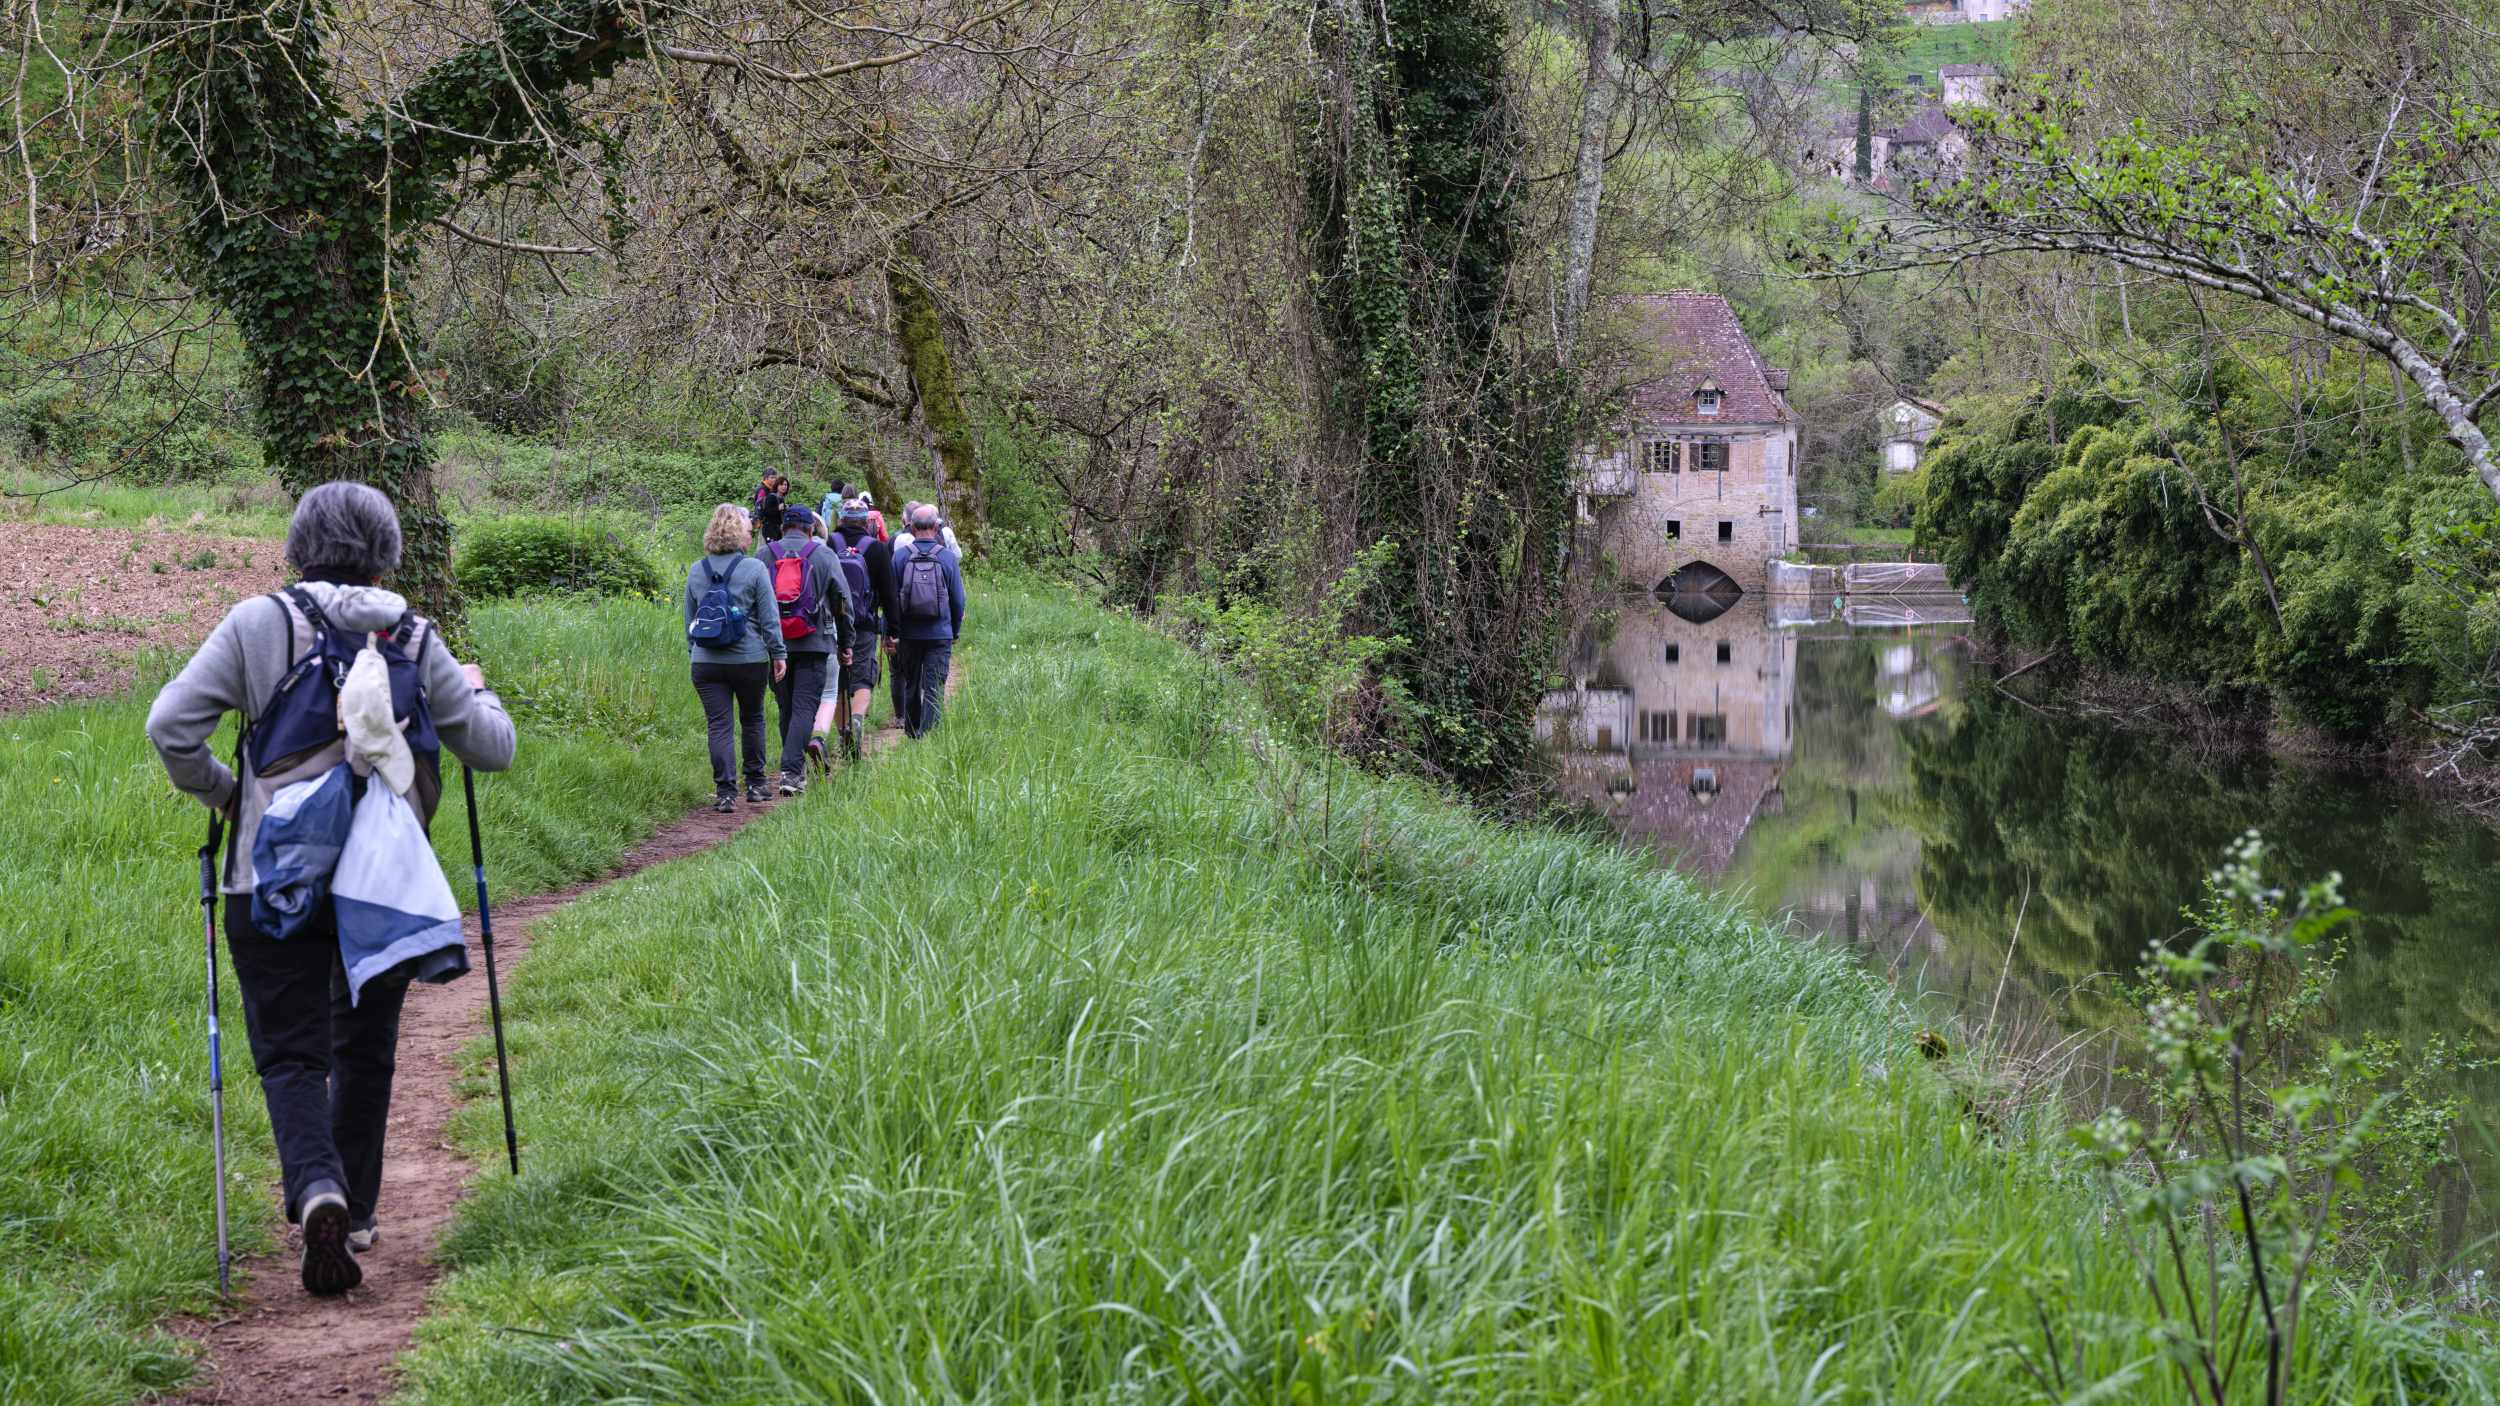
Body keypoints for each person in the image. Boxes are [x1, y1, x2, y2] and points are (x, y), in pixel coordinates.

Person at [145, 482, 517, 1296]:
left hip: (269, 878)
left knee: (290, 1053)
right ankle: (358, 1213)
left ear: (297, 547)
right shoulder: (413, 635)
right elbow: (492, 749)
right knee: (365, 1049)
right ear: (387, 555)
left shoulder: (257, 624)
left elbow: (170, 729)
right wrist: (480, 689)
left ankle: (317, 1185)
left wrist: (231, 798)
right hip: (382, 885)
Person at [686, 503, 787, 811]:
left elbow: (689, 620)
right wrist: (778, 653)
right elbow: (769, 618)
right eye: (748, 529)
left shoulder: (697, 570)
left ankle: (726, 792)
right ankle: (755, 785)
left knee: (718, 724)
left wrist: (695, 654)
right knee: (752, 718)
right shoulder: (754, 568)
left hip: (706, 661)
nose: (751, 533)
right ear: (738, 533)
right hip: (749, 659)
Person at [757, 504, 854, 793]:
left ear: (783, 527)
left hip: (775, 645)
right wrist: (846, 642)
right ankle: (791, 773)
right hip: (814, 641)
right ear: (811, 529)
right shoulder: (823, 555)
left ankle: (794, 770)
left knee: (786, 706)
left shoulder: (764, 555)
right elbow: (842, 601)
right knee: (804, 708)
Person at [809, 498, 895, 765]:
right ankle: (857, 720)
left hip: (831, 624)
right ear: (867, 522)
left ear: (841, 519)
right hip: (864, 624)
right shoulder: (877, 548)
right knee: (863, 679)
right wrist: (891, 630)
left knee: (836, 683)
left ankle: (843, 730)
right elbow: (890, 594)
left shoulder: (829, 544)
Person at [889, 502, 966, 738]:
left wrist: (890, 633)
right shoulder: (947, 557)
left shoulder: (900, 556)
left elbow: (891, 600)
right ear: (936, 527)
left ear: (911, 528)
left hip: (908, 634)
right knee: (934, 687)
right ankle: (929, 737)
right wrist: (954, 631)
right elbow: (958, 600)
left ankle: (913, 734)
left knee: (911, 684)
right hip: (939, 633)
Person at [752, 472, 789, 540]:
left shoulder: (781, 498)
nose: (784, 487)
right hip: (769, 529)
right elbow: (766, 512)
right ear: (777, 486)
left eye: (785, 485)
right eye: (781, 485)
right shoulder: (772, 497)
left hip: (777, 529)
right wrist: (777, 508)